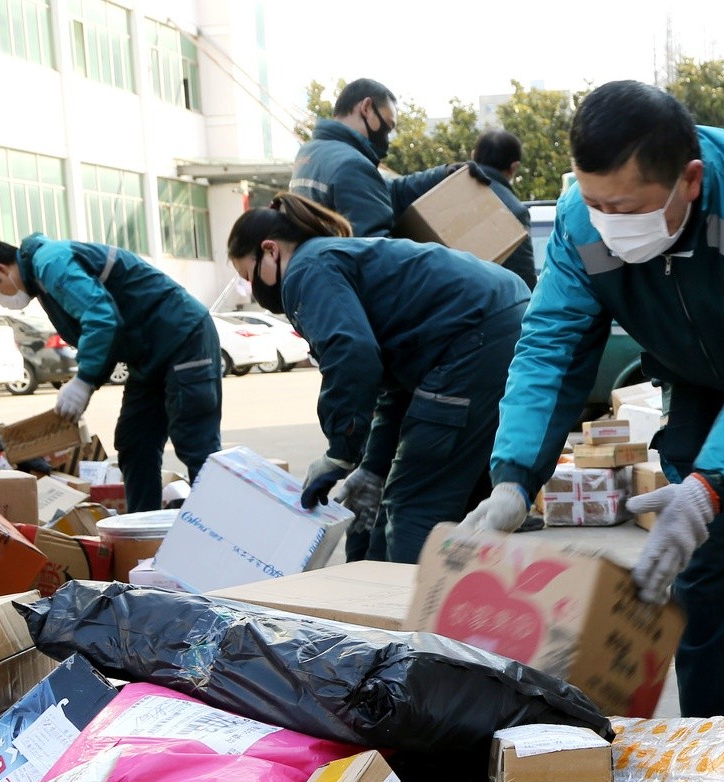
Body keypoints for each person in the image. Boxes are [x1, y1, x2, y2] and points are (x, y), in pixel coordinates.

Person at [461, 80, 724, 720]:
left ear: (690, 180)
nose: (606, 223)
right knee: (701, 561)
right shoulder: (586, 221)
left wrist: (710, 484)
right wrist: (513, 480)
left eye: (626, 209)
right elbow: (553, 343)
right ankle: (723, 743)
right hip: (704, 384)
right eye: (594, 200)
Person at [226, 194, 529, 564]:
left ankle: (409, 616)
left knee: (414, 505)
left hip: (474, 335)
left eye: (247, 276)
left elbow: (351, 356)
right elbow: (394, 386)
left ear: (270, 250)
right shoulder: (335, 258)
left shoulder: (306, 270)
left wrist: (339, 452)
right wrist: (369, 467)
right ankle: (469, 609)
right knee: (461, 498)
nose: (252, 290)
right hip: (494, 322)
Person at [0, 236, 221, 514]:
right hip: (148, 355)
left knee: (196, 444)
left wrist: (84, 381)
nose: (3, 302)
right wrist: (86, 381)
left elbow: (101, 319)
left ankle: (223, 534)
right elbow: (101, 328)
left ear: (0, 269)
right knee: (135, 442)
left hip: (182, 338)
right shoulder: (43, 283)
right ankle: (143, 533)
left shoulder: (51, 263)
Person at [292, 77, 456, 239]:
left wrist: (444, 173)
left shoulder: (310, 152)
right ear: (367, 107)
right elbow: (376, 252)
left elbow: (386, 191)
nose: (387, 138)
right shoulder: (350, 165)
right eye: (388, 126)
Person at [472, 130, 537, 290]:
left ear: (473, 155)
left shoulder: (442, 188)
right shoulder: (513, 210)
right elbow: (523, 277)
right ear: (514, 167)